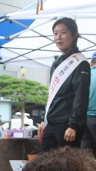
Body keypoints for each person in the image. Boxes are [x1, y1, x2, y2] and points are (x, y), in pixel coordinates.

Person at [38, 17, 90, 154]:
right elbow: (51, 95)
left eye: (63, 32)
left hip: (67, 125)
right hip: (52, 123)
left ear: (74, 35)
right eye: (55, 33)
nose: (58, 37)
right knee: (43, 165)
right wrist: (44, 119)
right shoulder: (57, 62)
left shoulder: (81, 63)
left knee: (66, 168)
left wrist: (73, 125)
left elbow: (81, 97)